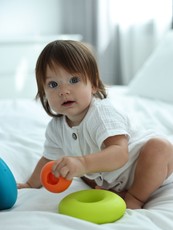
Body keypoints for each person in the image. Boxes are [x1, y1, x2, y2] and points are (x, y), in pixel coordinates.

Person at [18, 40, 173, 209]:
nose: (63, 91)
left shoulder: (101, 113)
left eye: (74, 79)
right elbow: (48, 159)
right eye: (53, 84)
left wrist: (82, 163)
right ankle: (117, 191)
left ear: (93, 84)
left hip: (143, 167)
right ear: (44, 93)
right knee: (79, 172)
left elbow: (120, 154)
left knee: (160, 147)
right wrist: (30, 184)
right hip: (110, 179)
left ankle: (135, 198)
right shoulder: (56, 128)